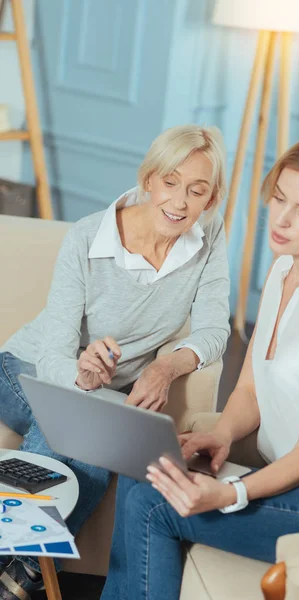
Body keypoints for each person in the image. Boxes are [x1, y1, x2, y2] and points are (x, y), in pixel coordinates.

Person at [101, 131, 299, 600]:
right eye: (279, 198)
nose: (280, 221)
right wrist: (220, 435)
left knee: (155, 505)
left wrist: (229, 494)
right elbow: (249, 392)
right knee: (149, 480)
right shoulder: (285, 269)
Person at [0, 124, 230, 599]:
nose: (181, 201)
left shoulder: (208, 237)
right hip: (27, 367)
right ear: (149, 179)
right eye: (170, 181)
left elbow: (214, 330)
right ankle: (27, 577)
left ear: (211, 198)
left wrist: (166, 366)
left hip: (104, 391)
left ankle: (17, 571)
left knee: (94, 441)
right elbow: (52, 352)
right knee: (83, 429)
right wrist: (82, 377)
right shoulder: (87, 238)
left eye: (197, 190)